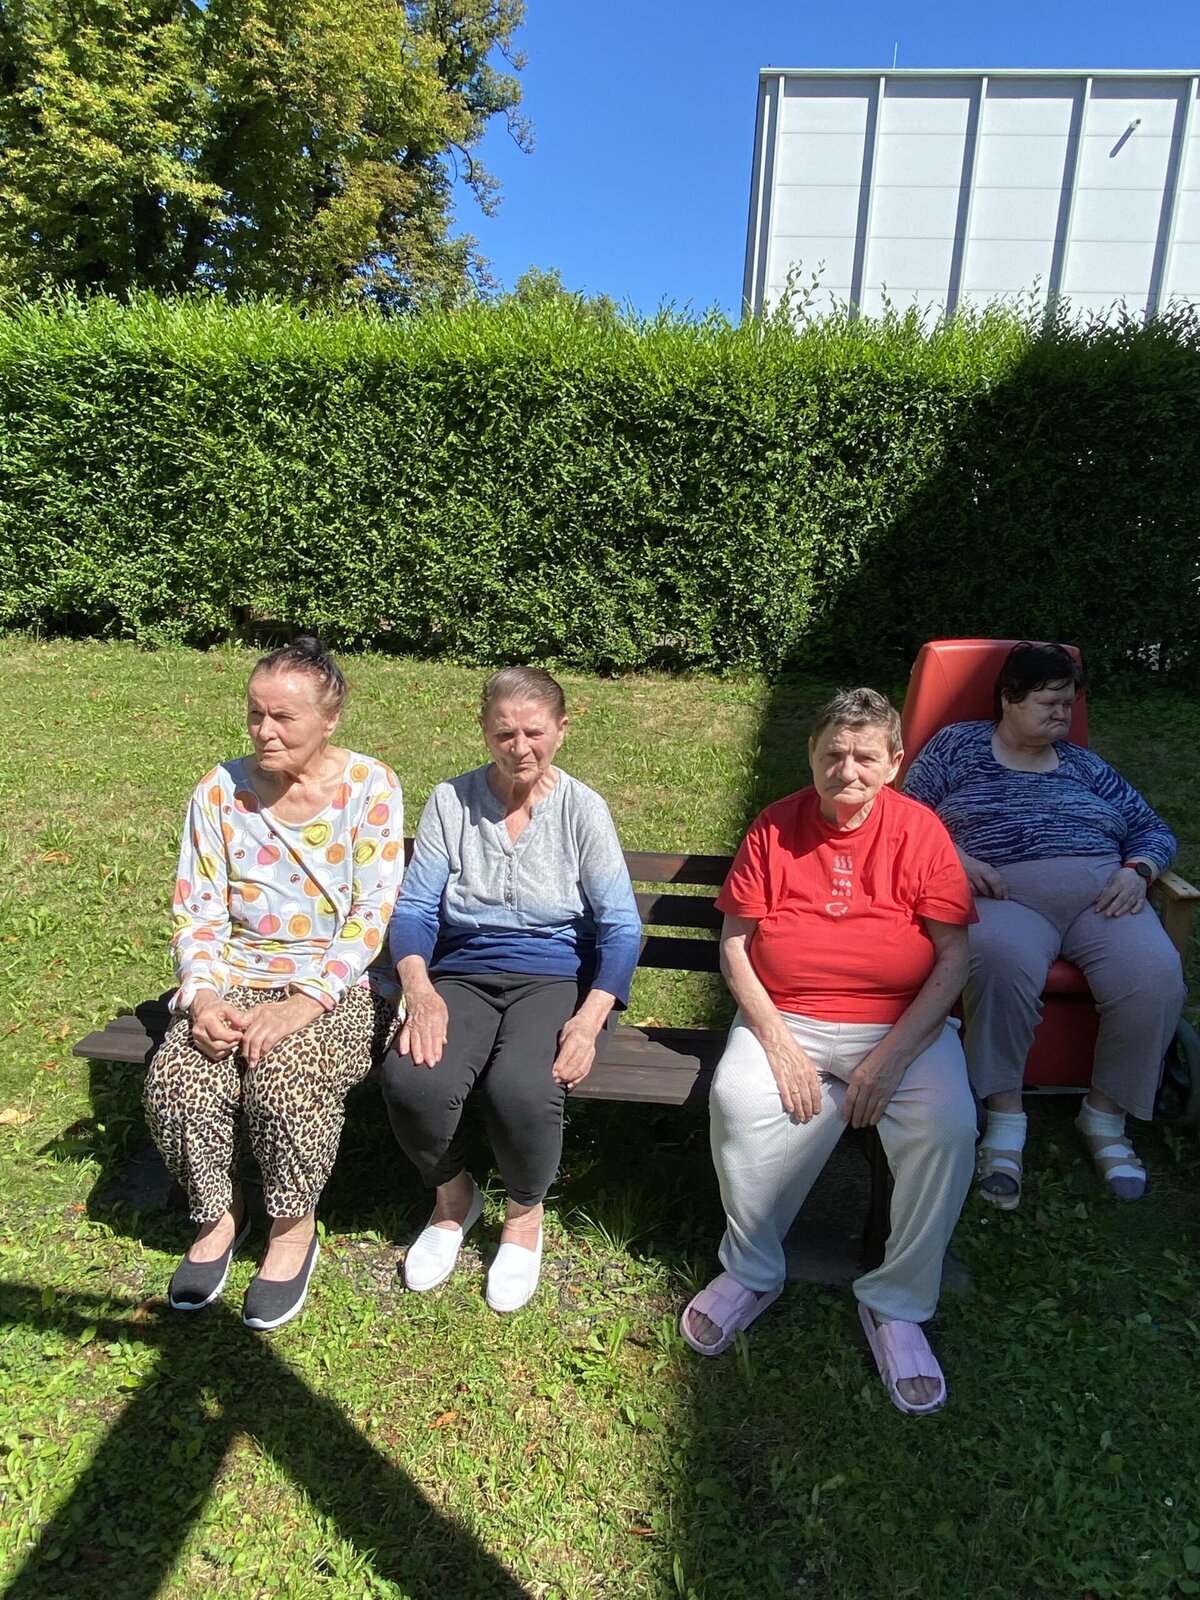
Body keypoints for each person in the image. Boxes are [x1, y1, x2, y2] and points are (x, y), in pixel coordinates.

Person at [680, 688, 977, 1416]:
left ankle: (896, 1303)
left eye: (865, 757)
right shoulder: (775, 825)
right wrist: (776, 1040)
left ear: (894, 763)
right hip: (789, 1017)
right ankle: (752, 1270)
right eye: (833, 754)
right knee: (738, 1098)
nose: (847, 770)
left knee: (948, 1127)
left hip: (902, 1025)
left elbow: (954, 956)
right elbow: (736, 947)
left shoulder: (922, 831)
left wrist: (893, 1057)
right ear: (811, 754)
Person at [143, 637, 403, 1330]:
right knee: (179, 1077)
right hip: (236, 980)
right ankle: (217, 1217)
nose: (265, 731)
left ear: (331, 717)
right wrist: (203, 997)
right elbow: (197, 912)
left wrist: (301, 1004)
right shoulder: (219, 790)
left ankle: (292, 1230)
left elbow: (371, 916)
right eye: (256, 713)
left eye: (284, 717)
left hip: (337, 985)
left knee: (284, 1080)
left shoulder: (370, 786)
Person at [382, 666, 641, 1314]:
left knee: (523, 1087)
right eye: (504, 733)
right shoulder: (452, 800)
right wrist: (420, 988)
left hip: (556, 974)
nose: (519, 747)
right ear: (484, 730)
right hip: (463, 972)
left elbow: (620, 925)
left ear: (561, 729)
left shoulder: (582, 808)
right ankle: (453, 1199)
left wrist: (588, 1020)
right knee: (414, 1079)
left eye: (534, 732)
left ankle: (525, 1217)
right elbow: (414, 909)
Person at [904, 641, 1185, 1209]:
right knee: (998, 964)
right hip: (1004, 895)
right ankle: (1005, 1120)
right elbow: (904, 818)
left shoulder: (1085, 766)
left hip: (1103, 898)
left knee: (1156, 974)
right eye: (1049, 703)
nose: (1063, 715)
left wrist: (1138, 870)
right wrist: (954, 859)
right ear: (1009, 698)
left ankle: (1104, 1117)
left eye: (1068, 704)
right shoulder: (957, 747)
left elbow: (1153, 829)